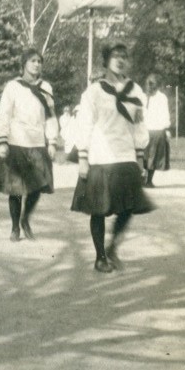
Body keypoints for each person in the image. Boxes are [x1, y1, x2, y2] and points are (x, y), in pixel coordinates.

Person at [71, 43, 154, 271]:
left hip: (126, 156)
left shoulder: (135, 91)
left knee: (128, 208)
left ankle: (112, 247)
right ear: (106, 61)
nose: (120, 60)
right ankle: (100, 257)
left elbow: (139, 125)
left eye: (124, 56)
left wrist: (140, 157)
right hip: (100, 157)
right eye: (115, 56)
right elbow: (84, 124)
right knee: (98, 210)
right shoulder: (94, 92)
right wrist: (83, 158)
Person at [0, 49, 58, 241]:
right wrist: (3, 140)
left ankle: (25, 218)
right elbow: (3, 114)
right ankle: (15, 227)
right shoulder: (13, 87)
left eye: (39, 61)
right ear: (23, 64)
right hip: (16, 142)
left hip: (37, 143)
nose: (37, 64)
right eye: (32, 61)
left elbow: (50, 116)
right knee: (15, 189)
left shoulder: (46, 87)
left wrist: (52, 141)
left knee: (38, 185)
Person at [142, 73, 171, 187]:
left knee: (145, 155)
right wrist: (167, 128)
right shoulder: (161, 97)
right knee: (153, 157)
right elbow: (165, 115)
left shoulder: (143, 97)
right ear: (158, 85)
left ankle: (144, 178)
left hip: (145, 130)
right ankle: (149, 180)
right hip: (157, 130)